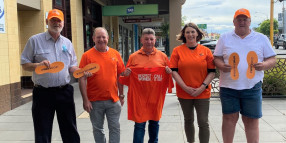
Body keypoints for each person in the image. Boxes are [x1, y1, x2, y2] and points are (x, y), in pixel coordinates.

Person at [213, 8, 276, 143]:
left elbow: (272, 59)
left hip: (252, 87)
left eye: (245, 19)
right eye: (239, 19)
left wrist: (264, 65)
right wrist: (221, 66)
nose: (242, 22)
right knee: (229, 119)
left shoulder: (261, 38)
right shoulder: (224, 37)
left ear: (250, 21)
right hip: (228, 87)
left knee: (251, 120)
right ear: (234, 21)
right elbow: (216, 57)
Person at [20, 9, 80, 143]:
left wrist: (81, 71)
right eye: (53, 20)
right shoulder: (34, 40)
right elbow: (24, 64)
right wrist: (38, 65)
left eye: (59, 21)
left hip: (64, 91)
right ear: (47, 22)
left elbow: (72, 66)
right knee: (42, 131)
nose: (56, 23)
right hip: (43, 93)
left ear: (63, 23)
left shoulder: (67, 43)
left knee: (70, 130)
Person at [121, 28, 172, 143]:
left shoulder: (163, 57)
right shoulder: (133, 56)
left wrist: (169, 72)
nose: (149, 41)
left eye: (151, 39)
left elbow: (169, 76)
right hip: (140, 99)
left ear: (155, 40)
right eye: (146, 39)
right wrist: (126, 74)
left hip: (156, 97)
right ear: (141, 40)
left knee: (154, 123)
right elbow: (126, 79)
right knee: (139, 125)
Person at [169, 22, 216, 143]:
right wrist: (185, 87)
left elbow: (212, 72)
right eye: (187, 32)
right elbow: (174, 71)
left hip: (203, 92)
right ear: (184, 35)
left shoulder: (206, 51)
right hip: (184, 92)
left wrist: (202, 87)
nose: (190, 34)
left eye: (192, 32)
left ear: (197, 34)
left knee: (203, 122)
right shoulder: (177, 51)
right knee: (188, 120)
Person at [78, 27, 125, 143]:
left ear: (108, 38)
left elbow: (120, 76)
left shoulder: (115, 54)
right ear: (93, 38)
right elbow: (81, 78)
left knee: (115, 128)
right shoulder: (87, 56)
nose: (101, 39)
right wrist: (85, 100)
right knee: (98, 129)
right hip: (94, 101)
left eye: (103, 37)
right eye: (98, 37)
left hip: (113, 100)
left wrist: (122, 95)